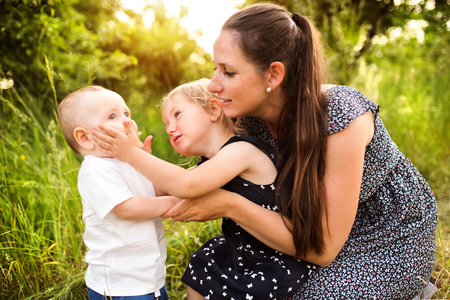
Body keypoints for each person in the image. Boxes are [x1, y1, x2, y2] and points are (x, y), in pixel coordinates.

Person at [161, 3, 436, 299]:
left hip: (386, 234)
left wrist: (230, 205)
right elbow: (202, 166)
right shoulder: (248, 116)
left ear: (273, 75)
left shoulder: (341, 116)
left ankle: (412, 287)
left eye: (228, 72)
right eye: (214, 68)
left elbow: (323, 248)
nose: (213, 85)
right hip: (303, 227)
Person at [92, 78, 317, 299]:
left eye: (177, 115)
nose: (170, 129)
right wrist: (141, 167)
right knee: (204, 261)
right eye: (166, 124)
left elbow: (186, 184)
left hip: (275, 257)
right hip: (245, 251)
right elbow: (172, 191)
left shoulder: (242, 149)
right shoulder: (210, 165)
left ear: (213, 109)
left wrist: (132, 155)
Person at [58, 86, 179, 300]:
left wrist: (147, 164)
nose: (126, 121)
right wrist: (175, 201)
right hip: (119, 284)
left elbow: (154, 193)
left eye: (126, 113)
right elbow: (127, 207)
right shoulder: (96, 169)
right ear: (85, 137)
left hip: (148, 276)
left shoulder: (129, 161)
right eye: (112, 116)